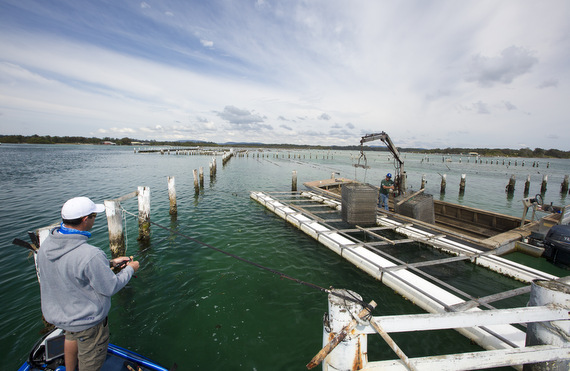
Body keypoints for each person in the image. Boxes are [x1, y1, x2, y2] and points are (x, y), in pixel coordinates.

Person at [37, 196, 140, 371]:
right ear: (85, 220)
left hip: (64, 316)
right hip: (87, 321)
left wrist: (109, 263)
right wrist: (130, 269)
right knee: (91, 363)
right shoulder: (90, 254)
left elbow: (70, 267)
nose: (94, 219)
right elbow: (111, 287)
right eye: (93, 216)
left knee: (71, 338)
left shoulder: (46, 245)